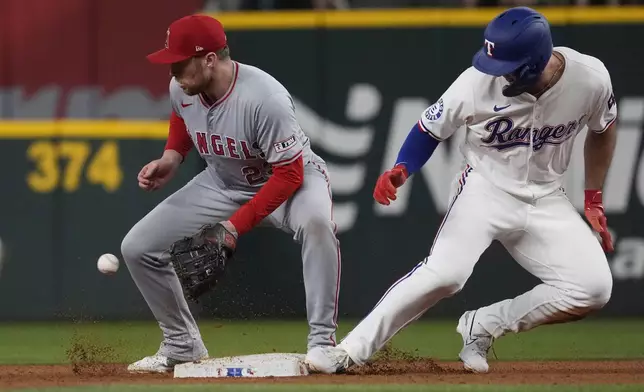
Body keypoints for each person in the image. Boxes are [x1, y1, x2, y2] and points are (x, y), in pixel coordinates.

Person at [304, 6, 616, 374]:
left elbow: (603, 128)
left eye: (506, 66)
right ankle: (349, 351)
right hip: (485, 190)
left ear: (534, 64)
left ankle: (482, 325)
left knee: (593, 288)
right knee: (446, 274)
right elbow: (427, 128)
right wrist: (403, 168)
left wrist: (593, 198)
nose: (494, 71)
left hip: (547, 196)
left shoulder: (590, 79)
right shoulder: (475, 82)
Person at [122, 14, 342, 373]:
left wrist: (234, 227)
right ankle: (182, 345)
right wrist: (171, 158)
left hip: (291, 183)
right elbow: (181, 119)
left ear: (209, 59)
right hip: (223, 182)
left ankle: (322, 343)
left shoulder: (264, 97)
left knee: (318, 224)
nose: (174, 70)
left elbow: (289, 173)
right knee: (137, 248)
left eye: (180, 61)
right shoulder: (182, 86)